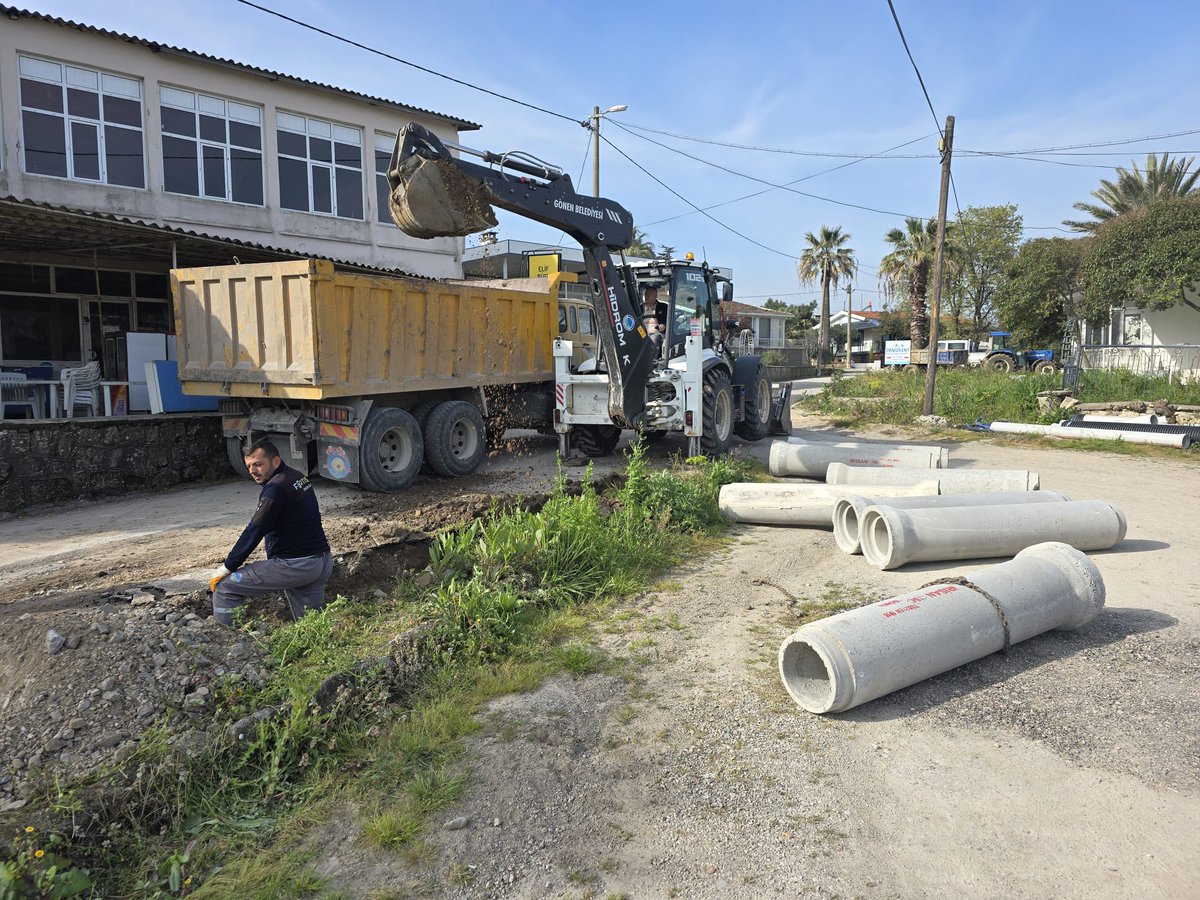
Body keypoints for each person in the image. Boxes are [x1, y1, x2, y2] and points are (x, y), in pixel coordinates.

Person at [209, 438, 333, 626]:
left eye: (258, 464)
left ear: (275, 461)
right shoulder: (297, 477)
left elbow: (256, 528)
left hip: (296, 565)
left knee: (226, 589)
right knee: (311, 625)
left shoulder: (275, 488)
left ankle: (229, 644)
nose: (252, 471)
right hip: (321, 561)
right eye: (249, 466)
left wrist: (228, 567)